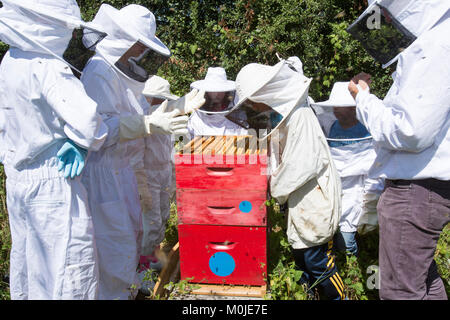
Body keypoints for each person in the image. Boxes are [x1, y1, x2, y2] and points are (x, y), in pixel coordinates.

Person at [79, 4, 204, 300]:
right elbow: (96, 130)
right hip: (104, 178)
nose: (140, 50)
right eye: (139, 42)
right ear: (123, 37)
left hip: (123, 178)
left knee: (127, 252)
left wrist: (172, 107)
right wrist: (148, 123)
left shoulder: (121, 73)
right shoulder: (99, 72)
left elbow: (134, 114)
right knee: (113, 258)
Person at [0, 0, 110, 299]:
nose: (70, 34)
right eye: (66, 26)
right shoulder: (47, 66)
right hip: (53, 183)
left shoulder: (10, 61)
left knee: (31, 268)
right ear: (44, 23)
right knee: (69, 270)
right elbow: (89, 118)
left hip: (18, 181)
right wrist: (79, 142)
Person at [347, 0, 450, 299]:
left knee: (399, 292)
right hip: (424, 190)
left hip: (415, 190)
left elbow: (411, 131)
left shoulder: (435, 45)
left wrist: (364, 100)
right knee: (423, 284)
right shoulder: (435, 40)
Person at [228, 56, 346, 300]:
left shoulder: (300, 116)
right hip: (301, 200)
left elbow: (300, 166)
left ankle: (338, 298)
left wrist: (270, 186)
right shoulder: (285, 115)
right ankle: (312, 295)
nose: (252, 106)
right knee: (302, 255)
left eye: (252, 101)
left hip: (315, 198)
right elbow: (277, 156)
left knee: (319, 261)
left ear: (266, 93)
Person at [313, 82, 383, 256]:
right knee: (329, 238)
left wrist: (370, 201)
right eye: (335, 106)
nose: (336, 110)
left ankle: (353, 271)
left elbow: (372, 165)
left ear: (353, 109)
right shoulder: (331, 127)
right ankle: (342, 270)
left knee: (346, 241)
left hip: (355, 193)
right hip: (332, 189)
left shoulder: (366, 129)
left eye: (341, 107)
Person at [136, 75, 180, 295]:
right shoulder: (141, 121)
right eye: (158, 100)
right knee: (148, 226)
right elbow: (135, 156)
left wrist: (172, 182)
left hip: (162, 177)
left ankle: (154, 262)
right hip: (147, 178)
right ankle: (140, 272)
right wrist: (141, 186)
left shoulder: (166, 120)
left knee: (161, 219)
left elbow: (170, 153)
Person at [188, 67, 248, 138]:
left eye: (220, 90)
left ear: (226, 91)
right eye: (213, 91)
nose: (217, 94)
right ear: (206, 92)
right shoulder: (196, 118)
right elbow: (190, 142)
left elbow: (243, 138)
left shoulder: (237, 116)